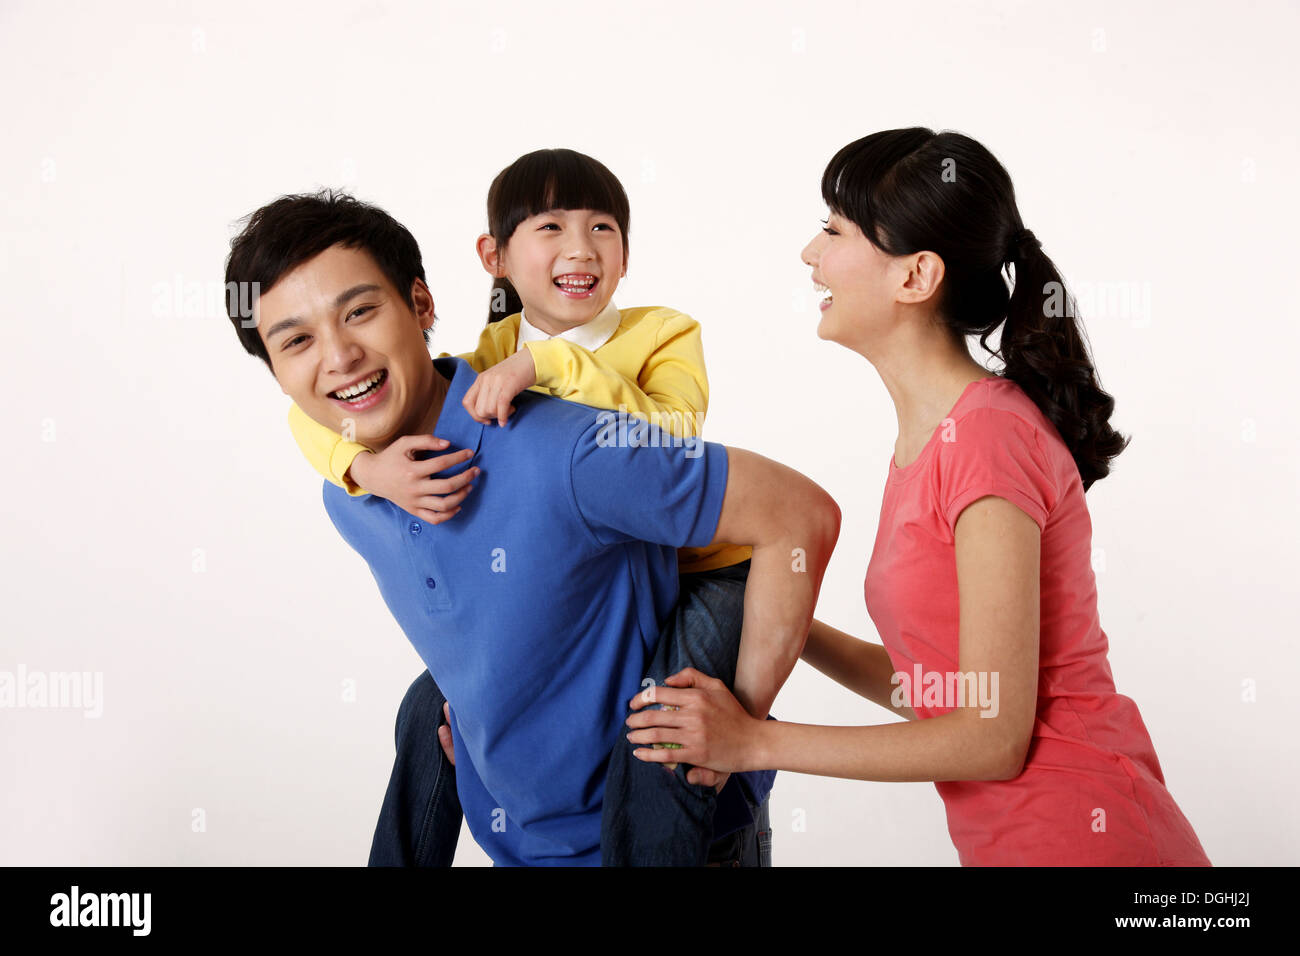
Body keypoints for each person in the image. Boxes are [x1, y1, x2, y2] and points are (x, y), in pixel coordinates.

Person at [625, 128, 1211, 867]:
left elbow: (991, 737)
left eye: (834, 230)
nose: (811, 254)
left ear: (915, 276)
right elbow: (939, 693)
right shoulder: (937, 442)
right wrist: (772, 610)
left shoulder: (990, 438)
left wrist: (754, 743)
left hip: (1087, 835)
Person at [222, 189, 840, 866]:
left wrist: (742, 724)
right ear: (275, 369)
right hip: (515, 841)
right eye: (297, 341)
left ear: (421, 306)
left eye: (360, 312)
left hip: (679, 840)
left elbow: (797, 513)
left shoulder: (568, 451)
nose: (338, 356)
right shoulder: (349, 491)